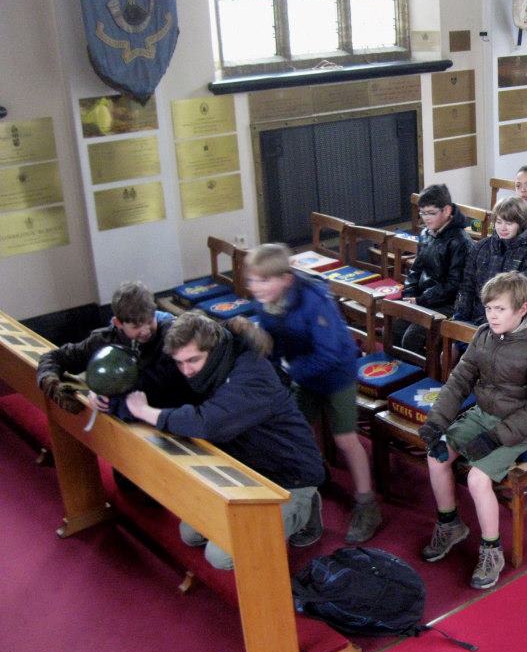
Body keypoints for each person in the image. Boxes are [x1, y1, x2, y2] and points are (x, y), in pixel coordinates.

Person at [125, 311, 327, 570]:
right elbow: (162, 382)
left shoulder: (252, 374)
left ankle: (305, 509)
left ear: (214, 348)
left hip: (290, 478)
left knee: (221, 557)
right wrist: (113, 393)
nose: (186, 370)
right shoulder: (211, 364)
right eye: (179, 362)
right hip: (246, 469)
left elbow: (207, 423)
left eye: (192, 360)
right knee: (190, 535)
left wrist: (146, 412)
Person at [417, 272, 527, 589]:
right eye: (489, 309)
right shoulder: (484, 335)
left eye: (500, 309)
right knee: (436, 455)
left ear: (522, 309)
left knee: (478, 479)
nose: (492, 316)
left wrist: (495, 438)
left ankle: (492, 550)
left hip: (520, 425)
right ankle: (450, 524)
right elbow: (459, 382)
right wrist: (437, 422)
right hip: (483, 414)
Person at [244, 243, 381, 544]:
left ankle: (367, 502)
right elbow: (272, 342)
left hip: (336, 374)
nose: (256, 287)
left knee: (345, 439)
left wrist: (289, 371)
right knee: (294, 431)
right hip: (302, 372)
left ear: (286, 279)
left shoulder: (315, 300)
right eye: (252, 280)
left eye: (264, 280)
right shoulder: (265, 302)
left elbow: (329, 353)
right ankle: (313, 477)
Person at [36, 281, 193, 417]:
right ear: (118, 323)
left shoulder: (173, 337)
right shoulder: (104, 339)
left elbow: (156, 385)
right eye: (136, 326)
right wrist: (51, 382)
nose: (146, 331)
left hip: (171, 413)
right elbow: (56, 357)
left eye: (150, 321)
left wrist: (105, 395)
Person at [396, 183, 475, 353]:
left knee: (411, 339)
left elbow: (454, 285)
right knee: (394, 327)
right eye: (422, 213)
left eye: (431, 213)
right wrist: (410, 294)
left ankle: (425, 368)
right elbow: (416, 269)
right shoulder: (426, 233)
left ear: (447, 210)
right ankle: (398, 367)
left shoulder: (460, 241)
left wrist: (421, 300)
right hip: (424, 298)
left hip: (449, 303)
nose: (426, 218)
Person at [453, 196, 527, 325]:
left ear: (522, 224)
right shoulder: (481, 246)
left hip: (506, 323)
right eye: (499, 222)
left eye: (509, 223)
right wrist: (460, 317)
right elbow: (467, 286)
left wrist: (490, 322)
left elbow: (519, 297)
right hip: (475, 317)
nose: (502, 228)